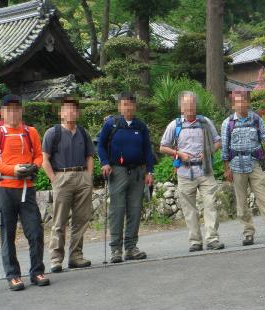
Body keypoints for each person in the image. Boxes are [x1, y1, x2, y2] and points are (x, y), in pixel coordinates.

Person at [0, 94, 49, 291]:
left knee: (35, 231)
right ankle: (13, 275)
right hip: (4, 189)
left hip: (26, 189)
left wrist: (33, 167)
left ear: (21, 111)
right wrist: (13, 170)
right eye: (9, 109)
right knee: (7, 233)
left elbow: (39, 155)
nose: (13, 113)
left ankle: (37, 271)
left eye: (17, 109)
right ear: (1, 112)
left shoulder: (31, 132)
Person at [221, 90, 265, 246]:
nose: (241, 104)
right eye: (237, 101)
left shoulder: (256, 119)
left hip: (254, 164)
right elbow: (225, 150)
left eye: (243, 101)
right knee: (241, 203)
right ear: (233, 105)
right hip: (236, 165)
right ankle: (248, 233)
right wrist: (226, 169)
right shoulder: (228, 123)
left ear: (248, 102)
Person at [159, 91, 225, 252]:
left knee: (210, 205)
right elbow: (162, 147)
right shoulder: (174, 125)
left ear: (196, 105)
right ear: (181, 107)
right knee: (189, 210)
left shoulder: (205, 122)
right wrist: (179, 154)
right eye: (186, 104)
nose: (189, 107)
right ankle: (195, 241)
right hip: (184, 172)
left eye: (192, 103)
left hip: (205, 171)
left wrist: (208, 151)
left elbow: (218, 142)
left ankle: (212, 239)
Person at [97, 92, 154, 263]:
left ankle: (131, 248)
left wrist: (150, 172)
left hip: (138, 172)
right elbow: (100, 145)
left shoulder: (140, 126)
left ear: (135, 106)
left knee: (135, 210)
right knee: (117, 210)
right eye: (124, 104)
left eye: (130, 104)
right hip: (117, 171)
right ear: (119, 107)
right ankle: (115, 249)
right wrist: (105, 162)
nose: (128, 108)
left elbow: (148, 150)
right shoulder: (111, 124)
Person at [42, 97, 95, 273]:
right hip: (62, 176)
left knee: (81, 220)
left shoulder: (83, 132)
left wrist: (88, 177)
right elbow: (45, 160)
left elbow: (89, 156)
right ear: (61, 113)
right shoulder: (53, 133)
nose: (71, 112)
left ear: (78, 113)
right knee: (59, 220)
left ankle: (76, 257)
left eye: (74, 109)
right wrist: (54, 179)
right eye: (67, 109)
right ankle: (56, 259)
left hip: (82, 176)